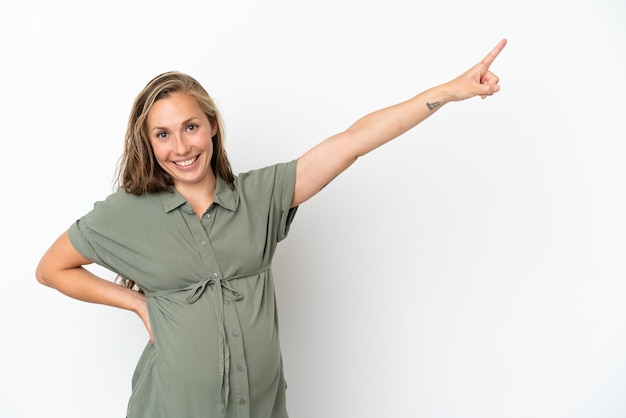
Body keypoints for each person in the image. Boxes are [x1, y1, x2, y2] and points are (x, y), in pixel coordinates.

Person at [36, 38, 507, 418]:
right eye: (163, 134)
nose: (180, 146)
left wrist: (448, 91)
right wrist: (137, 303)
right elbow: (52, 268)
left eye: (191, 127)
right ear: (148, 142)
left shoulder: (259, 197)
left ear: (213, 126)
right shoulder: (127, 214)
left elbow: (352, 142)